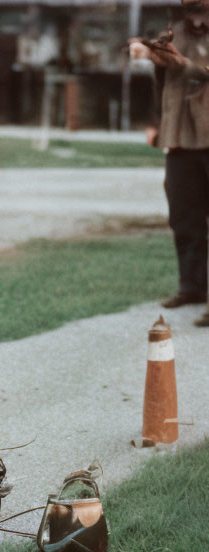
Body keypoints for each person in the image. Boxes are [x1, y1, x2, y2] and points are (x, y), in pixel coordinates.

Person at [134, 0, 209, 322]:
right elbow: (161, 80)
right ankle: (191, 286)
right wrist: (156, 122)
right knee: (183, 215)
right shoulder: (173, 30)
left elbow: (195, 69)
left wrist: (183, 62)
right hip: (179, 137)